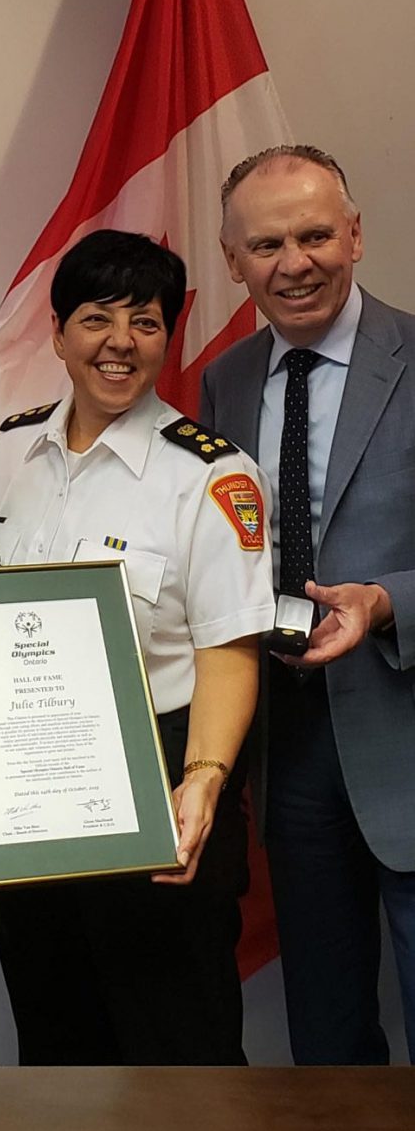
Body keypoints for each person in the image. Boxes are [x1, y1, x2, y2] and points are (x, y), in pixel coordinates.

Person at [0, 230, 276, 1064]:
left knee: (177, 1044)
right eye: (96, 319)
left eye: (145, 322)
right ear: (58, 332)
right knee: (53, 1035)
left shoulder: (212, 476)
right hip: (28, 785)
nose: (120, 343)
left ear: (168, 336)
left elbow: (231, 646)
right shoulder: (6, 453)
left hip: (161, 777)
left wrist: (204, 781)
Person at [201, 144, 415, 1065]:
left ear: (356, 235)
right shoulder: (226, 381)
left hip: (405, 730)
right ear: (232, 261)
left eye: (316, 234)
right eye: (268, 243)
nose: (296, 263)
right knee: (326, 1039)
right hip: (287, 749)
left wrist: (385, 600)